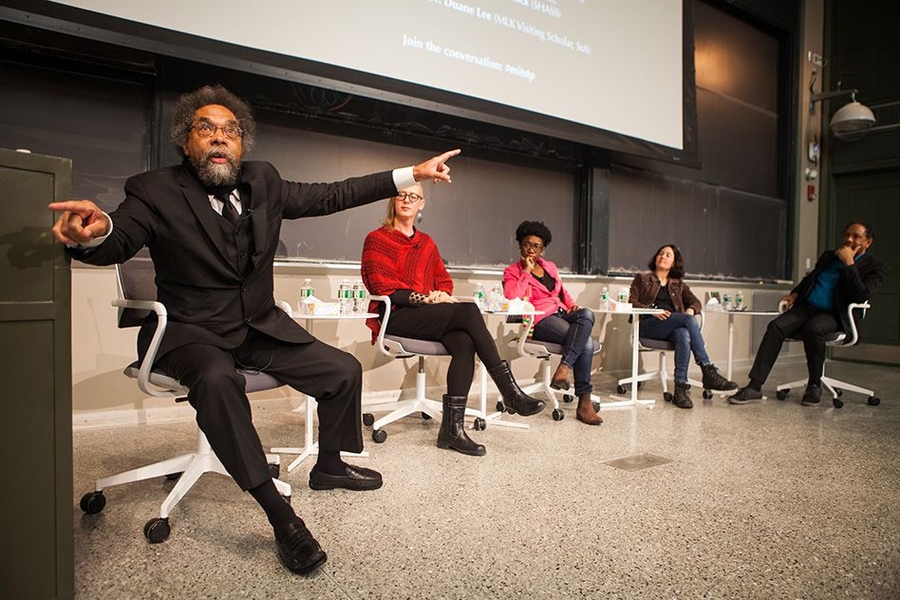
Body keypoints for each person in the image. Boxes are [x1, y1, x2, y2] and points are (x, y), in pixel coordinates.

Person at [48, 84, 462, 576]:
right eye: (206, 129)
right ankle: (279, 514)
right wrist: (95, 236)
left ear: (242, 143)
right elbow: (120, 233)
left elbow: (334, 194)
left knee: (342, 369)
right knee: (218, 381)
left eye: (231, 130)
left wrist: (409, 174)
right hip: (189, 334)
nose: (220, 138)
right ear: (186, 142)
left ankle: (328, 466)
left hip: (258, 328)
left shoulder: (264, 181)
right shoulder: (154, 189)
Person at [361, 183, 546, 456]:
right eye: (401, 194)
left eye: (414, 196)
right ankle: (510, 392)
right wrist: (426, 299)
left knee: (463, 341)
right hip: (396, 317)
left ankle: (452, 431)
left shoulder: (426, 243)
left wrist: (441, 293)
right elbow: (381, 286)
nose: (407, 200)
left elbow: (443, 280)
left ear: (421, 203)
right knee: (469, 310)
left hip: (428, 317)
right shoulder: (377, 239)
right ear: (393, 199)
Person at [729, 221, 887, 406]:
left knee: (814, 328)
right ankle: (754, 387)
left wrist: (849, 264)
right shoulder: (829, 256)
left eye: (856, 236)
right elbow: (811, 279)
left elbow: (861, 295)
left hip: (836, 314)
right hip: (807, 308)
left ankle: (814, 385)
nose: (849, 239)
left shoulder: (875, 267)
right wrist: (794, 294)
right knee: (776, 327)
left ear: (868, 242)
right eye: (847, 234)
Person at [502, 221, 602, 425]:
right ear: (520, 245)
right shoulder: (512, 271)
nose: (531, 249)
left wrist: (572, 305)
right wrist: (526, 273)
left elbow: (563, 293)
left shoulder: (550, 267)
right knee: (588, 344)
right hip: (539, 320)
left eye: (536, 246)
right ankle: (584, 401)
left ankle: (564, 368)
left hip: (561, 313)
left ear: (542, 249)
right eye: (527, 244)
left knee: (587, 314)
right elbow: (512, 296)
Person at [628, 244, 737, 409]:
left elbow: (696, 302)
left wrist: (691, 309)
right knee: (687, 321)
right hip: (647, 324)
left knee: (683, 334)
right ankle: (707, 369)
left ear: (673, 263)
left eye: (668, 255)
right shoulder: (642, 278)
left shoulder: (678, 284)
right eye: (661, 253)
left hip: (671, 326)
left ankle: (680, 389)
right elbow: (631, 301)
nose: (663, 256)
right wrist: (652, 311)